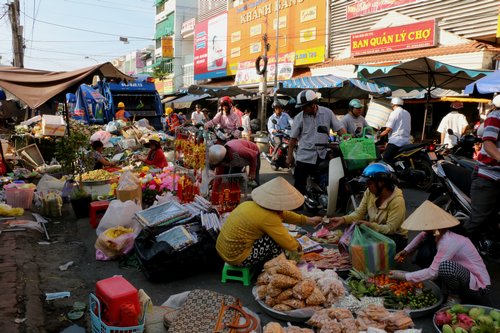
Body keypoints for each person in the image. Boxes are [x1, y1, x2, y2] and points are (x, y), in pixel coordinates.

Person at [389, 200, 491, 306]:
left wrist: (404, 276)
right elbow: (422, 235)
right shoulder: (440, 231)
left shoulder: (449, 240)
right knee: (432, 251)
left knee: (445, 266)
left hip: (479, 287)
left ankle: (454, 297)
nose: (424, 228)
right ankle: (448, 289)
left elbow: (433, 272)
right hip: (464, 277)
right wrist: (406, 251)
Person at [215, 176, 322, 267]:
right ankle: (277, 268)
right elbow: (288, 243)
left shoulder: (248, 204)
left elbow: (284, 215)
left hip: (222, 250)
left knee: (273, 235)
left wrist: (308, 220)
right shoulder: (269, 218)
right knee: (275, 241)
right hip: (236, 257)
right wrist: (298, 247)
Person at [327, 162, 408, 252]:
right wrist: (343, 219)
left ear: (381, 183)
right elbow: (359, 213)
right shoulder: (369, 192)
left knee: (365, 250)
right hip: (376, 232)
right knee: (351, 236)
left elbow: (390, 229)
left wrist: (369, 225)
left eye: (369, 183)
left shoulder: (397, 201)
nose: (367, 186)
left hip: (394, 238)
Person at [286, 89, 346, 194]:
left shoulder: (327, 113)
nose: (303, 109)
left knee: (334, 178)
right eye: (301, 107)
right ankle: (297, 209)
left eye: (304, 106)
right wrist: (289, 156)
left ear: (313, 104)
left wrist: (347, 139)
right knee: (299, 186)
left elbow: (339, 129)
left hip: (322, 154)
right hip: (304, 156)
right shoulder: (299, 118)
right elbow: (293, 138)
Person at [463, 95, 500, 256]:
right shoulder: (495, 116)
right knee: (477, 219)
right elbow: (488, 143)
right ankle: (449, 252)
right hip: (488, 176)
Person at [379, 97, 411, 163]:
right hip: (406, 141)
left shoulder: (394, 113)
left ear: (393, 104)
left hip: (396, 141)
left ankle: (391, 173)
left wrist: (378, 136)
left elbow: (388, 129)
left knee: (385, 159)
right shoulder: (407, 113)